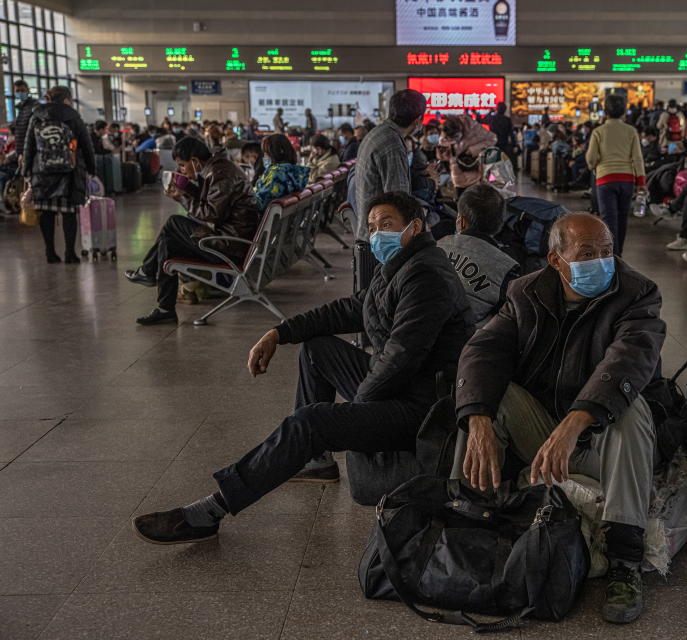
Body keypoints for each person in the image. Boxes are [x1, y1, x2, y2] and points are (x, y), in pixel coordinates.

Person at [133, 191, 471, 536]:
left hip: (422, 408)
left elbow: (400, 357)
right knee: (317, 349)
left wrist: (354, 412)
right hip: (402, 387)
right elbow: (354, 309)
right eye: (371, 227)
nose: (376, 235)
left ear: (414, 227)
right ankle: (314, 460)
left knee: (311, 422)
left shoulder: (425, 276)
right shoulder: (401, 264)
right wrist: (280, 333)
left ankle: (213, 509)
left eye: (386, 225)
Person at [454, 212, 666, 624]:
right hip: (544, 435)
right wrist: (477, 418)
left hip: (601, 444)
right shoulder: (525, 293)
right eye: (587, 253)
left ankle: (625, 559)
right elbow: (482, 351)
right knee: (486, 397)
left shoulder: (638, 294)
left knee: (631, 405)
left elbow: (630, 360)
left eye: (607, 251)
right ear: (556, 260)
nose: (601, 261)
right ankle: (471, 521)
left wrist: (576, 422)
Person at [123, 137, 260, 325]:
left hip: (229, 246)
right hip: (230, 239)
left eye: (182, 165)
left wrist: (182, 198)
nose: (181, 171)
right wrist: (187, 189)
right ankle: (165, 309)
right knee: (167, 244)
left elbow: (211, 214)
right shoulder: (218, 168)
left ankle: (147, 270)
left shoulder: (221, 174)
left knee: (173, 222)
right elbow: (214, 203)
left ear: (195, 161)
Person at [21, 86, 96, 264]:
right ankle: (70, 253)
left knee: (46, 213)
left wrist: (26, 171)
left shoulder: (36, 116)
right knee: (69, 214)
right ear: (66, 99)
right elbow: (86, 145)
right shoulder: (72, 116)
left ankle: (50, 252)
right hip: (68, 172)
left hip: (42, 171)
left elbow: (29, 145)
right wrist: (91, 169)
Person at [437, 183, 520, 329]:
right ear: (500, 224)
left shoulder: (439, 245)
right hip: (466, 344)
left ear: (461, 221)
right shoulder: (507, 267)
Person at [354, 89, 427, 239]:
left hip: (372, 229)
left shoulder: (378, 133)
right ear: (418, 120)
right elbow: (399, 201)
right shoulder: (392, 144)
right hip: (382, 239)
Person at [586, 94, 646, 256]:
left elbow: (591, 159)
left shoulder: (598, 131)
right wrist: (641, 182)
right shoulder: (631, 131)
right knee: (622, 218)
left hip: (605, 180)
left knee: (608, 219)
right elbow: (637, 158)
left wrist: (595, 165)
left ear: (605, 111)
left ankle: (611, 256)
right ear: (623, 111)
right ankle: (619, 255)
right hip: (626, 180)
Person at [437, 114, 498, 198]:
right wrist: (443, 152)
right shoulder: (445, 132)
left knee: (478, 201)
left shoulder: (472, 127)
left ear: (460, 128)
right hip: (458, 174)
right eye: (452, 138)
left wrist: (472, 150)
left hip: (476, 173)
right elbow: (443, 156)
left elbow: (493, 138)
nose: (456, 140)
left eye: (456, 136)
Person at [253, 134, 310, 212]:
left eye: (267, 153)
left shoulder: (277, 173)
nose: (265, 156)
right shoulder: (298, 172)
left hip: (264, 221)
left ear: (278, 152)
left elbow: (260, 204)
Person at [12, 79, 39, 163]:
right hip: (21, 149)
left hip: (31, 150)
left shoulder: (35, 105)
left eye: (22, 90)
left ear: (28, 90)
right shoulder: (20, 108)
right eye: (17, 90)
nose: (20, 93)